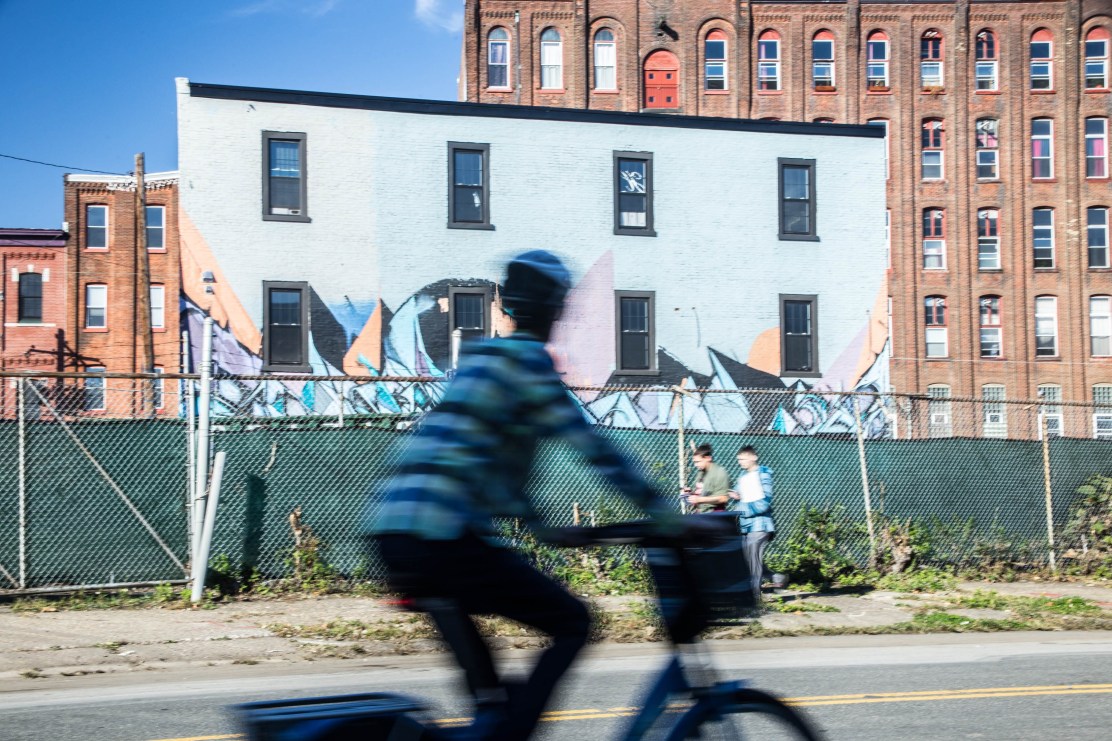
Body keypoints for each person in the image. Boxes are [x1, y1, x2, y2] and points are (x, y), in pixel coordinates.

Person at [367, 250, 679, 741]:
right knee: (573, 622)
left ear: (508, 305)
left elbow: (485, 466)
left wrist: (538, 524)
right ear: (557, 307)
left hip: (393, 530)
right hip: (444, 535)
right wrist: (667, 515)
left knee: (492, 700)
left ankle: (492, 719)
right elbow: (596, 451)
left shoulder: (481, 363)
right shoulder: (529, 365)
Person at [728, 445, 776, 603]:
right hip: (746, 525)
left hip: (760, 525)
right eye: (739, 459)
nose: (740, 462)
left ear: (753, 457)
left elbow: (764, 503)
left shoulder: (763, 474)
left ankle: (754, 598)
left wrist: (743, 509)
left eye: (743, 459)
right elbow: (740, 497)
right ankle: (776, 577)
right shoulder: (743, 476)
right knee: (748, 559)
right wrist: (735, 496)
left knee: (753, 560)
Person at [681, 443, 731, 513]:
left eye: (698, 462)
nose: (695, 465)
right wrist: (690, 493)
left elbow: (723, 498)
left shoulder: (719, 472)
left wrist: (699, 499)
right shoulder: (701, 472)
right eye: (694, 462)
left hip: (714, 513)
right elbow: (702, 492)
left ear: (708, 458)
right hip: (701, 512)